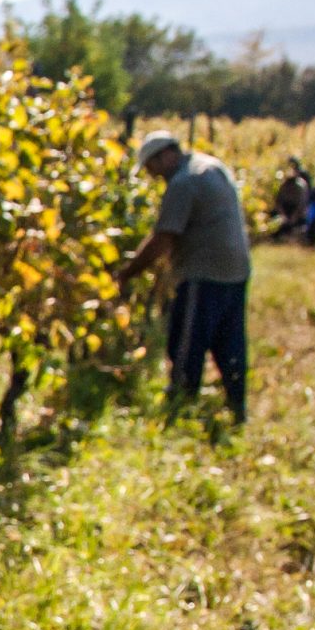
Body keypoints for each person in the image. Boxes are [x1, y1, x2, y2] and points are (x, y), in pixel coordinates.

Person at [116, 130, 252, 424]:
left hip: (203, 271)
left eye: (152, 168)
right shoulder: (211, 166)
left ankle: (180, 404)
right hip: (236, 267)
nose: (153, 177)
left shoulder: (183, 181)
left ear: (166, 155)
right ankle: (236, 406)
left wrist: (126, 273)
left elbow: (164, 237)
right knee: (229, 339)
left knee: (187, 340)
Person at [271, 156, 310, 242]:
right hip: (285, 210)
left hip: (297, 213)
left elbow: (302, 205)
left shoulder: (301, 186)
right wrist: (283, 215)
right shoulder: (283, 185)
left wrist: (294, 217)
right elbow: (279, 202)